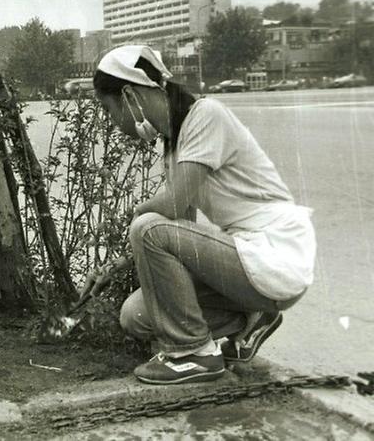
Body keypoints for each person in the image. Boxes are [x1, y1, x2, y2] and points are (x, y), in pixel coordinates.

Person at [81, 44, 315, 385]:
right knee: (138, 316)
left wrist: (138, 214)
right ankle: (251, 319)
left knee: (146, 225)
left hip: (276, 254)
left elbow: (170, 209)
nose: (113, 122)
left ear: (129, 95)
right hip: (245, 260)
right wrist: (115, 266)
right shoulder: (175, 142)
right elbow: (179, 230)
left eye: (109, 108)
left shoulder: (206, 115)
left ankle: (194, 354)